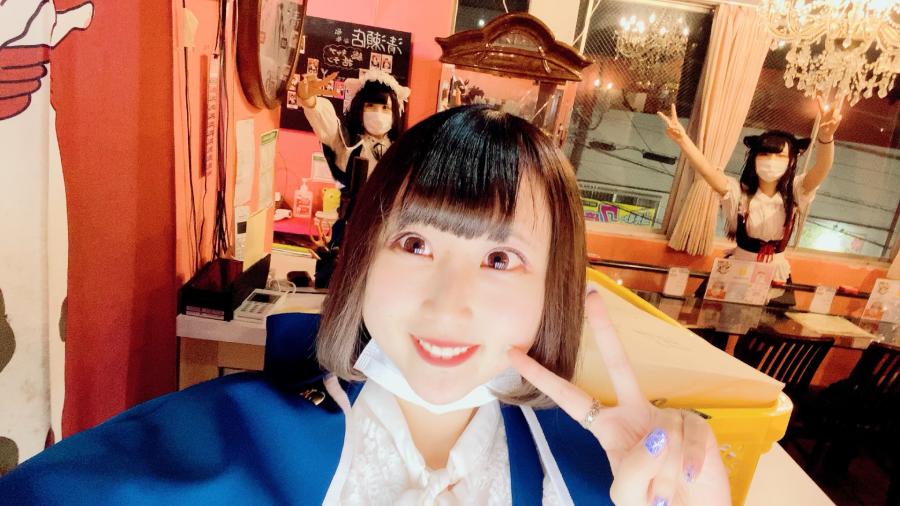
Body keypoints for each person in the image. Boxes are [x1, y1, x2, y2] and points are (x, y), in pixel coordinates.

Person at [0, 106, 729, 505]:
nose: (449, 304)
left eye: (500, 259)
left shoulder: (603, 477)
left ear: (552, 292)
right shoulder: (224, 433)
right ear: (362, 259)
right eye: (416, 244)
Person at [657, 98, 843, 302]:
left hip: (776, 275)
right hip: (738, 270)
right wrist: (683, 140)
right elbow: (708, 172)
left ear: (791, 162)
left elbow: (822, 169)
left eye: (780, 156)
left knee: (770, 321)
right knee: (711, 318)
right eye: (765, 154)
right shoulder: (738, 193)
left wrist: (826, 137)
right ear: (754, 158)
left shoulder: (796, 193)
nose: (771, 161)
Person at [298, 69, 410, 288]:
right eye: (371, 106)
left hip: (389, 229)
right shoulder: (346, 143)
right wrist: (310, 101)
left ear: (395, 112)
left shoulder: (403, 150)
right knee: (339, 282)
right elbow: (327, 125)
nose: (378, 113)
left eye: (385, 108)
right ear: (360, 108)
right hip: (350, 226)